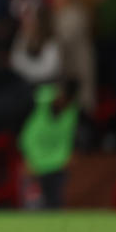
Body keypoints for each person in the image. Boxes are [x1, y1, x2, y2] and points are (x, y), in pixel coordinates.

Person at [18, 80, 79, 209]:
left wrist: (66, 156)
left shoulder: (72, 112)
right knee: (33, 207)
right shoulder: (36, 101)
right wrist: (26, 159)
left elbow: (67, 138)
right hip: (33, 163)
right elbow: (25, 134)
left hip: (57, 165)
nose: (62, 101)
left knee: (55, 206)